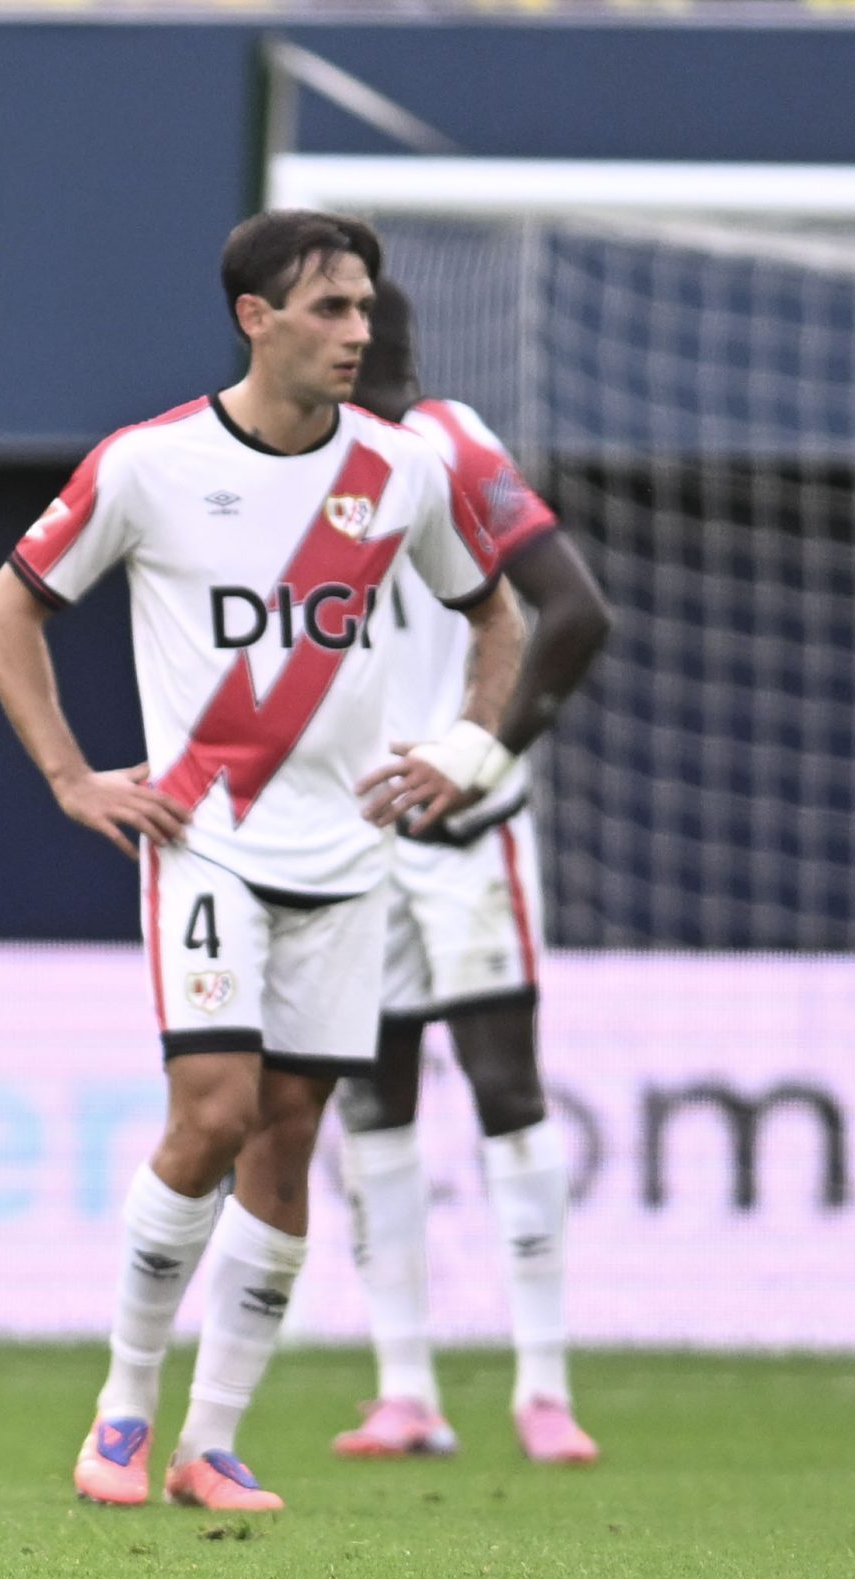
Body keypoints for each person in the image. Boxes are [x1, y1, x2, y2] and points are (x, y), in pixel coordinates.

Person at [0, 210, 526, 1513]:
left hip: (350, 859)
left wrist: (467, 748)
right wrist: (70, 774)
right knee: (212, 1113)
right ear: (254, 318)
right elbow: (8, 607)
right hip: (207, 841)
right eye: (331, 307)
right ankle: (122, 1408)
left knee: (289, 1134)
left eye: (365, 306)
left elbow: (498, 614)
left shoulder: (401, 472)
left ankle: (210, 1441)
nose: (358, 331)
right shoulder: (149, 465)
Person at [331, 282, 613, 1466]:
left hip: (463, 826)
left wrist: (481, 751)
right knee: (372, 1097)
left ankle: (542, 1385)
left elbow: (574, 610)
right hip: (353, 831)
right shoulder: (296, 463)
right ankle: (404, 1388)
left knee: (503, 1085)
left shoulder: (449, 444)